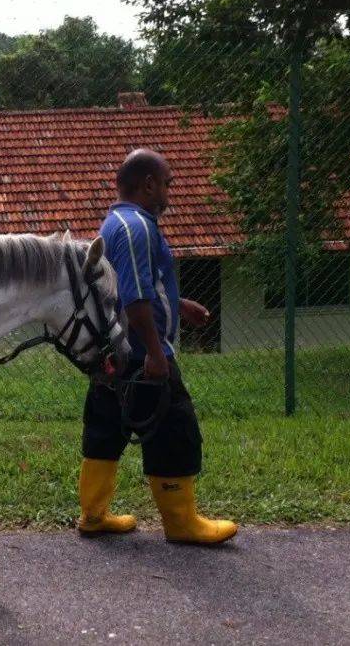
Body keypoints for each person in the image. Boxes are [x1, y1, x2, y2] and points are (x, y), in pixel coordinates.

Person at [77, 148, 237, 544]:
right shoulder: (136, 227)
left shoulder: (115, 223)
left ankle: (93, 515)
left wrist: (178, 305)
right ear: (148, 184)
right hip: (139, 353)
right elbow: (133, 297)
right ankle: (182, 523)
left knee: (106, 426)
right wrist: (154, 352)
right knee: (174, 428)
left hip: (112, 352)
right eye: (167, 183)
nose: (170, 192)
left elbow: (132, 285)